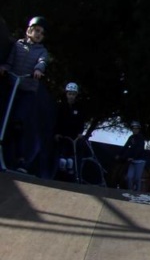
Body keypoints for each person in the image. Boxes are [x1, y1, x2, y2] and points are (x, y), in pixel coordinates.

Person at [0, 16, 49, 172]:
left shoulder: (42, 50)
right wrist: (5, 68)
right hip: (13, 87)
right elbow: (10, 62)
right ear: (29, 30)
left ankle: (21, 159)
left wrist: (38, 70)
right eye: (36, 30)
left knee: (18, 122)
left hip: (27, 91)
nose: (38, 34)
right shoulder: (18, 45)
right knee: (5, 119)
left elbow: (42, 61)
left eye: (42, 32)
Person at [54, 82, 87, 176]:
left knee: (71, 160)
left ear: (76, 95)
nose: (71, 96)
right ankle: (59, 175)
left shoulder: (79, 107)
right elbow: (58, 121)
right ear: (66, 94)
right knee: (62, 160)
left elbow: (81, 122)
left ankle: (71, 176)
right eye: (69, 94)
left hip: (74, 137)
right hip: (63, 135)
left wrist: (80, 133)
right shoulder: (61, 106)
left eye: (73, 94)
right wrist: (57, 133)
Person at [116, 121, 146, 191]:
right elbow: (125, 146)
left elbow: (139, 149)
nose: (135, 130)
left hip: (140, 161)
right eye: (133, 128)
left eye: (136, 129)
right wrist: (119, 155)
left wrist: (133, 157)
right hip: (132, 161)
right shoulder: (131, 137)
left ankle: (137, 193)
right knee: (129, 177)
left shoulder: (141, 138)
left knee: (137, 178)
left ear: (139, 129)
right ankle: (130, 192)